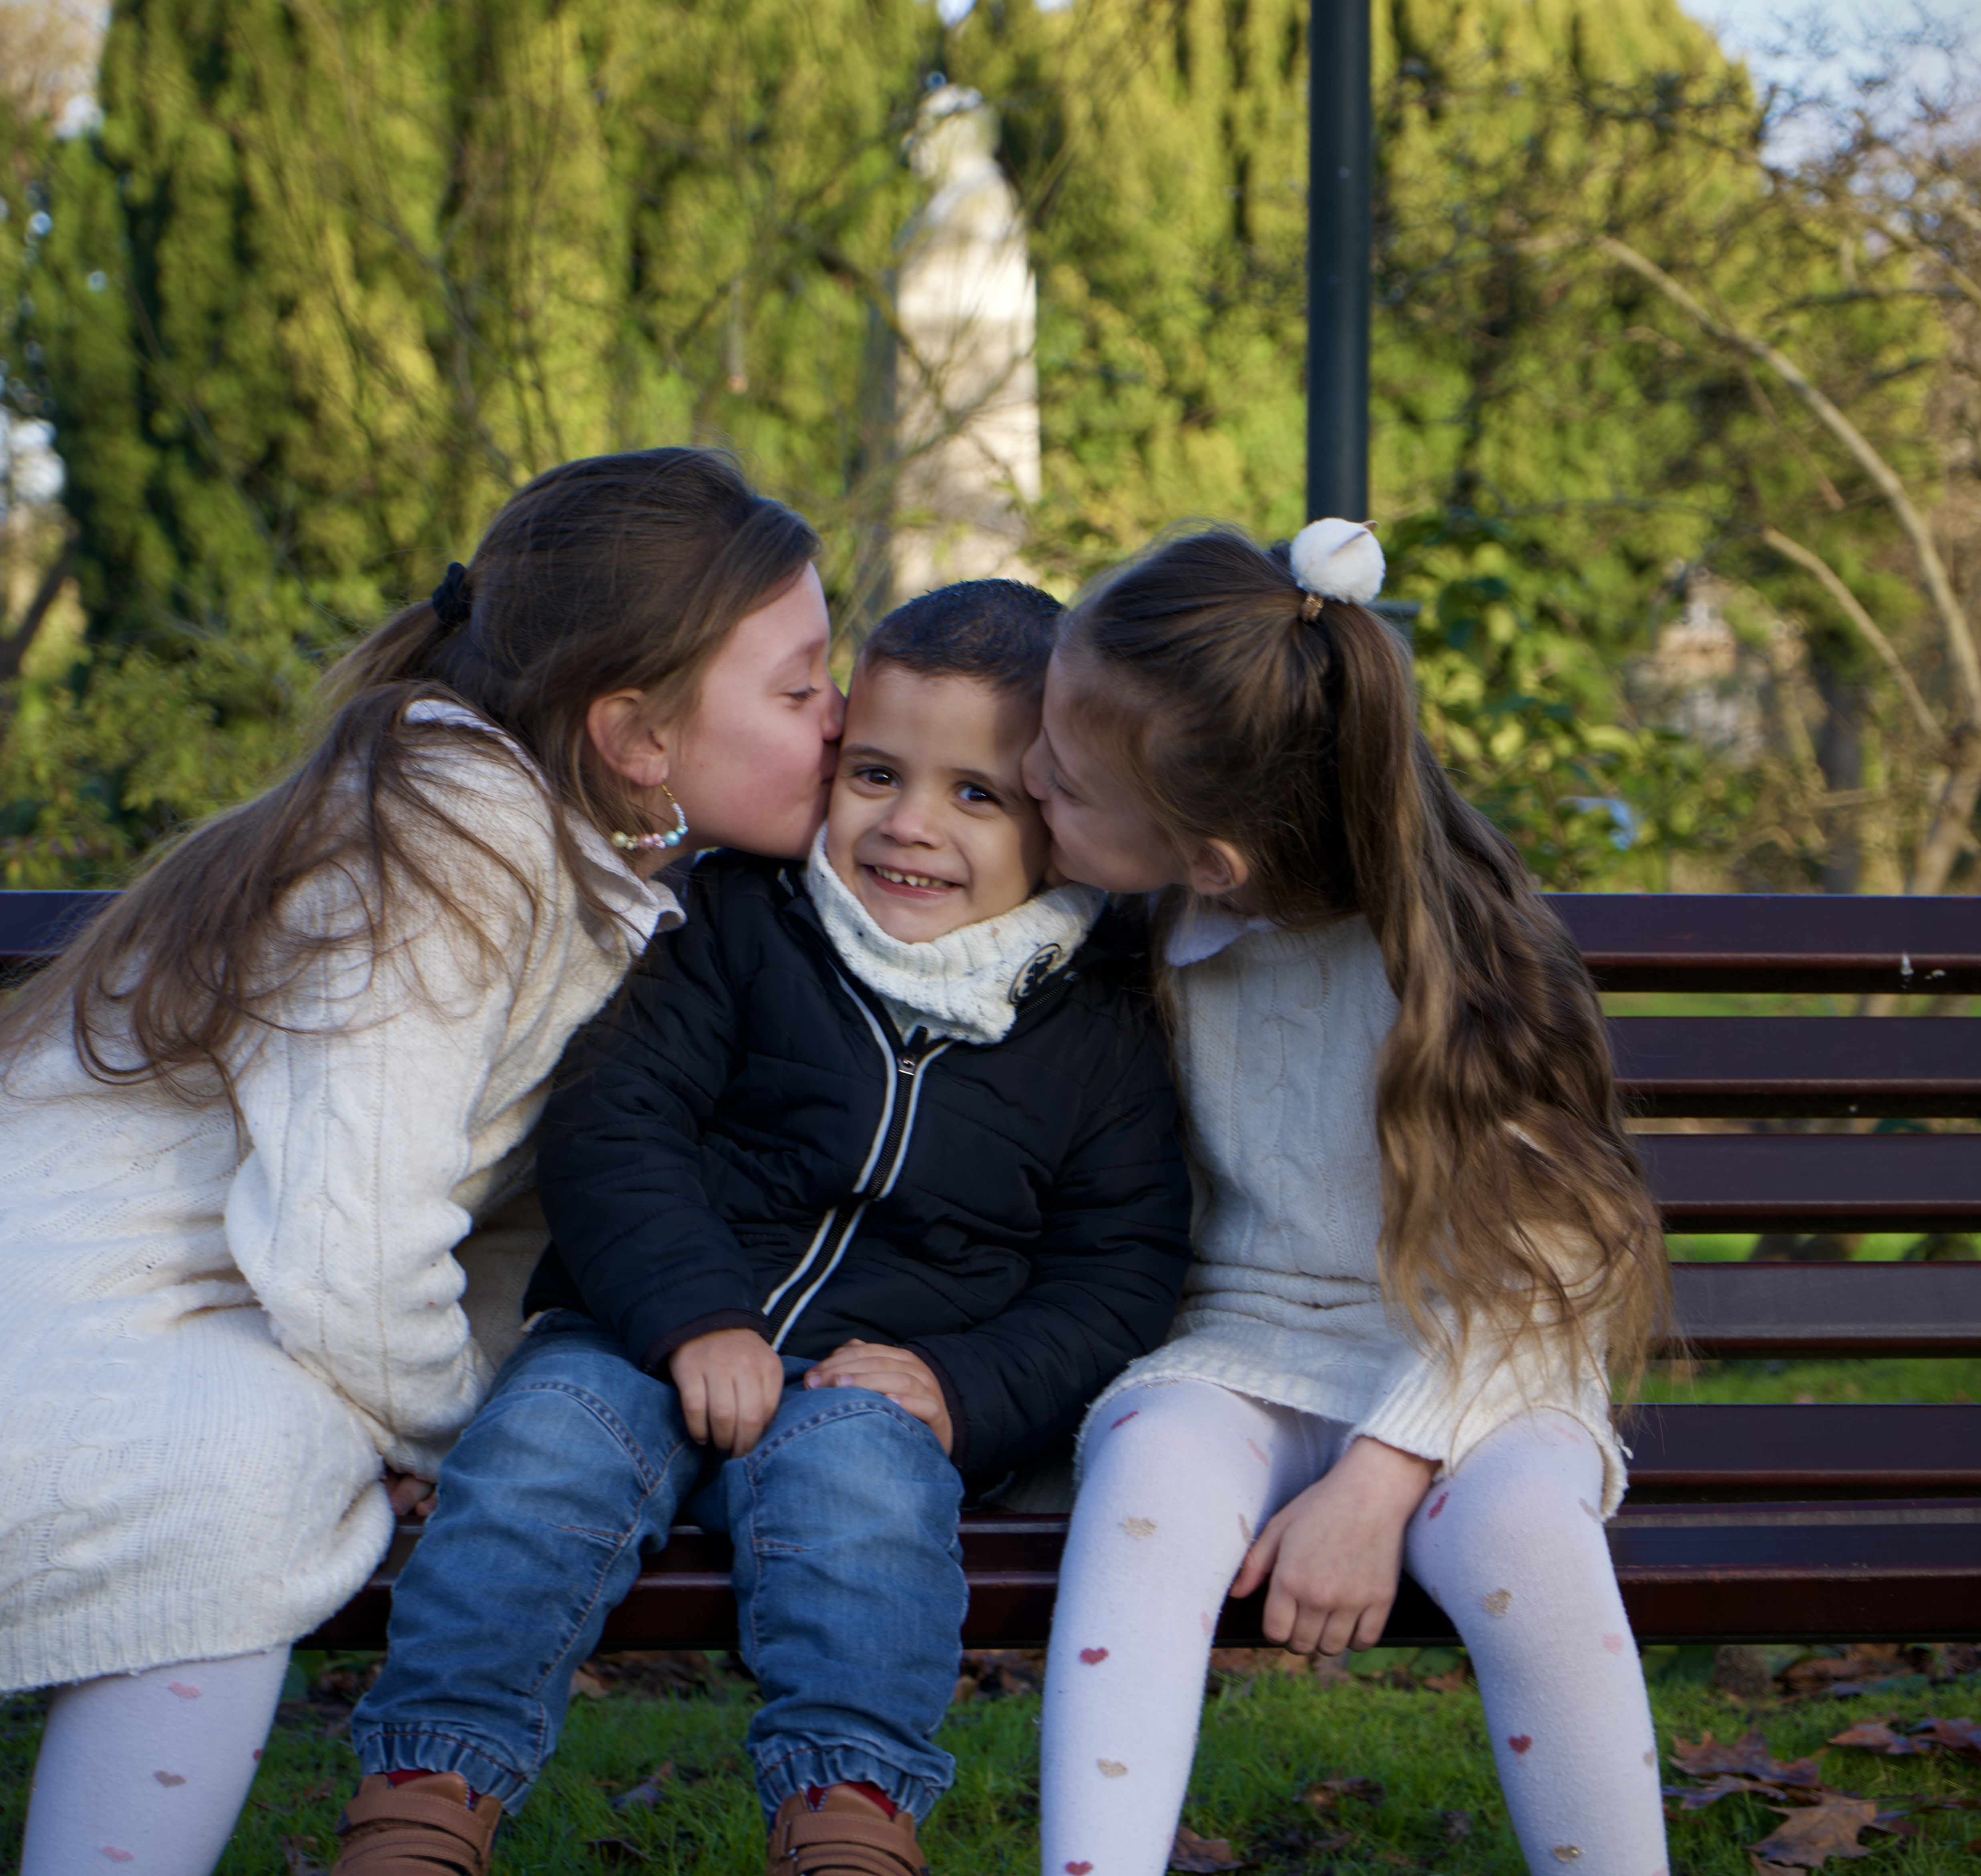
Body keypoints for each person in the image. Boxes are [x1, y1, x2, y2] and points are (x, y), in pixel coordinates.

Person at [0, 448, 848, 1876]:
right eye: (803, 685)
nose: (843, 716)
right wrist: (450, 1433)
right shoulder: (449, 834)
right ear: (637, 734)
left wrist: (439, 1419)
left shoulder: (594, 860)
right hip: (28, 1271)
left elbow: (501, 1207)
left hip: (234, 1295)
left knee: (249, 1472)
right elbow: (350, 1228)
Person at [331, 580, 1195, 1876]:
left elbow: (1118, 1271)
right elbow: (618, 1123)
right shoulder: (738, 918)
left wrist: (962, 1389)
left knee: (861, 1505)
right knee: (539, 1464)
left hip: (885, 1376)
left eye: (978, 795)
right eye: (878, 773)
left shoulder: (1097, 1014)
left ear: (1059, 821)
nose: (911, 826)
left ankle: (850, 1815)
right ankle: (427, 1791)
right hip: (643, 1330)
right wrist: (694, 1316)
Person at [1022, 522, 1675, 1876]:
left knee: (1528, 1542)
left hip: (1479, 1364)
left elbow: (1550, 1275)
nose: (1029, 780)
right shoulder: (1128, 930)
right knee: (1145, 1476)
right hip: (1239, 1351)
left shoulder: (1466, 962)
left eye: (1069, 782)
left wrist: (1383, 1480)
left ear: (1217, 858)